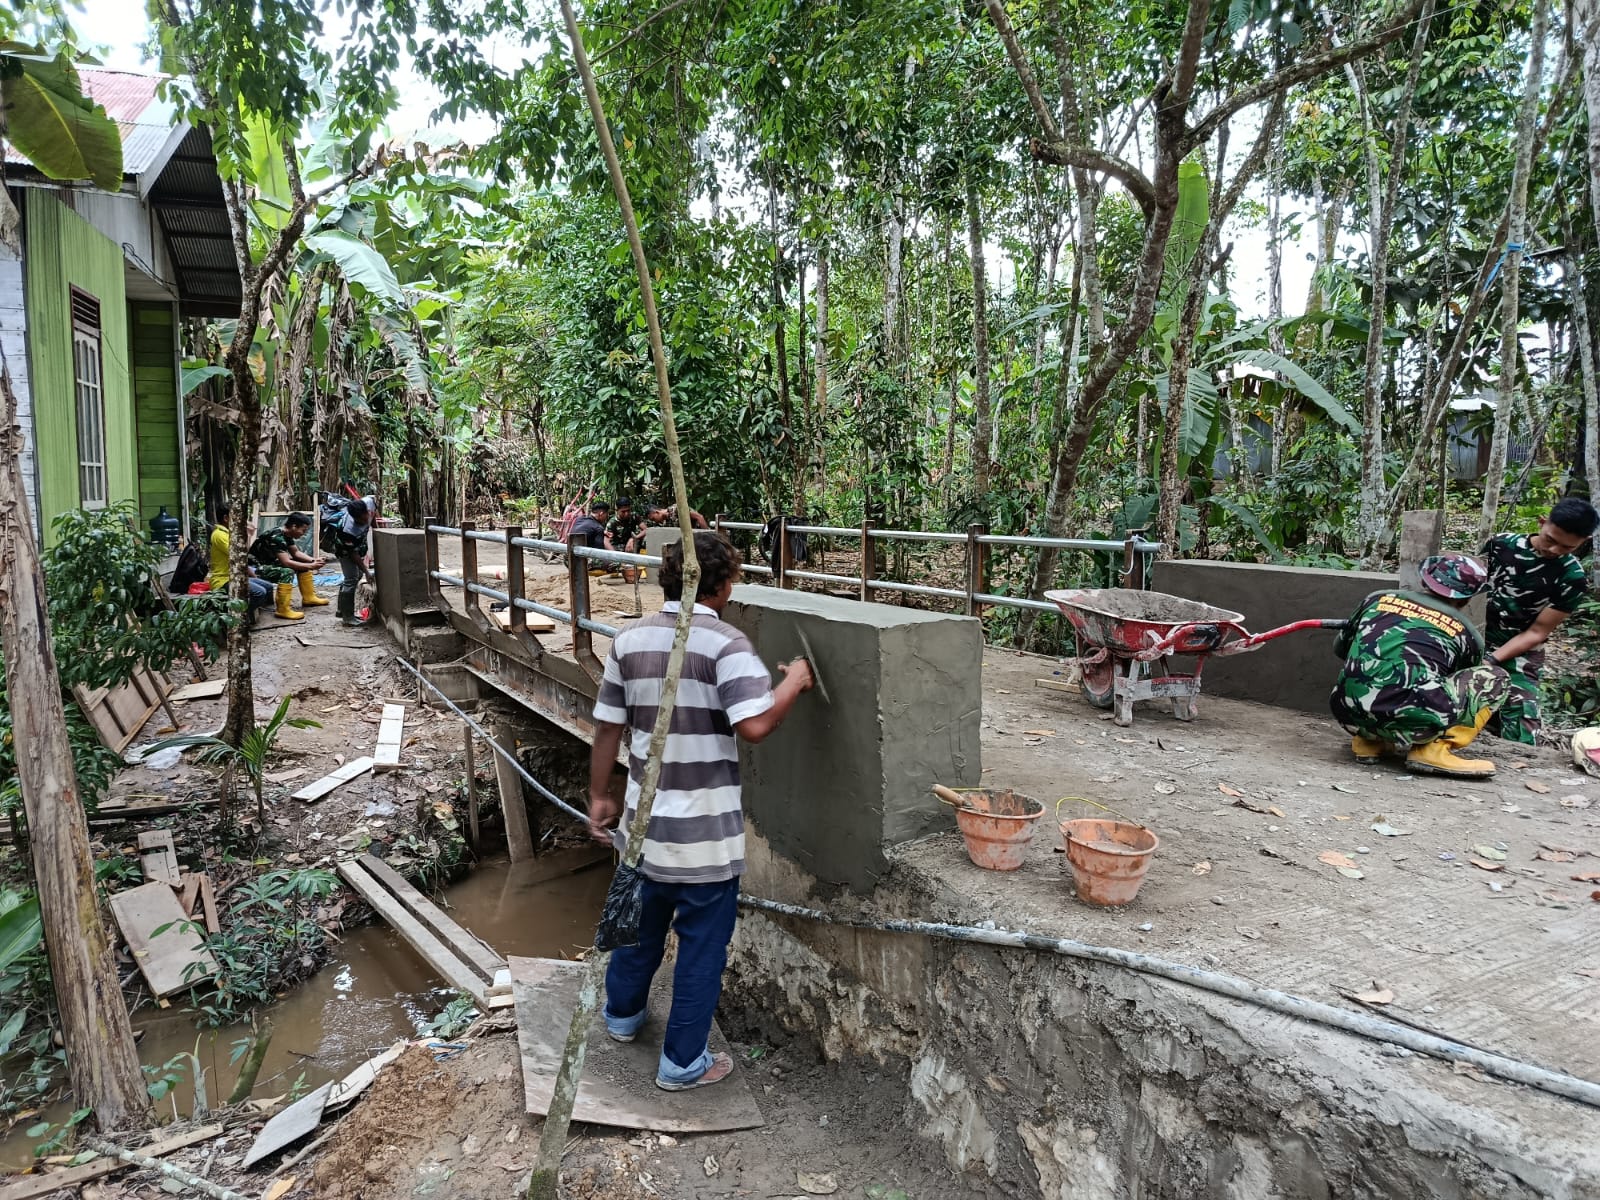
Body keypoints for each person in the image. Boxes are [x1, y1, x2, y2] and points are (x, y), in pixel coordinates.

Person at [587, 531, 813, 1090]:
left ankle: (621, 1019)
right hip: (706, 843)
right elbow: (756, 725)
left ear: (666, 580)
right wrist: (793, 682)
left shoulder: (627, 640)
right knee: (700, 951)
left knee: (639, 929)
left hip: (643, 828)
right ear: (726, 586)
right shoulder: (725, 644)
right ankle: (683, 1063)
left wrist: (600, 795)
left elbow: (607, 728)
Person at [1330, 552, 1509, 779]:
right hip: (1414, 726)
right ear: (1467, 598)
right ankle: (1432, 749)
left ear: (1424, 580)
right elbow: (1458, 679)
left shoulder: (1376, 599)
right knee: (1495, 678)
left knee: (1373, 668)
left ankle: (1369, 742)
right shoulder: (1466, 632)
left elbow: (1341, 649)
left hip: (1347, 715)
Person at [1480, 497, 1598, 743]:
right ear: (1542, 522)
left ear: (1583, 542)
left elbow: (1536, 632)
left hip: (1519, 648)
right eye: (1550, 540)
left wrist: (1491, 660)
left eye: (1566, 547)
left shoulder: (1572, 578)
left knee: (1523, 730)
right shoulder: (1500, 545)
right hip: (1474, 634)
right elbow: (1469, 590)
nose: (1554, 550)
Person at [249, 513, 327, 621]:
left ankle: (309, 598)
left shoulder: (286, 535)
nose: (304, 534)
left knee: (302, 565)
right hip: (253, 568)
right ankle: (282, 609)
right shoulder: (276, 536)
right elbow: (286, 562)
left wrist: (313, 561)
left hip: (267, 564)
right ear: (294, 526)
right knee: (287, 572)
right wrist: (311, 565)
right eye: (303, 530)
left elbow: (296, 553)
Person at [207, 504, 273, 621]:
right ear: (226, 518)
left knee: (268, 587)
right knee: (259, 593)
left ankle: (252, 616)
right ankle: (235, 619)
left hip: (235, 576)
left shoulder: (229, 533)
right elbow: (239, 556)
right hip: (223, 580)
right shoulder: (219, 535)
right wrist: (246, 535)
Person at [325, 495, 376, 627]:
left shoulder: (369, 502)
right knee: (351, 578)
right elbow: (353, 555)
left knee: (356, 575)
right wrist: (366, 571)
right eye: (359, 520)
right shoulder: (348, 529)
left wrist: (376, 530)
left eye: (365, 517)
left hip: (357, 544)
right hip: (344, 550)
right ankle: (348, 618)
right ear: (353, 517)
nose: (364, 520)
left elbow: (374, 512)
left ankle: (341, 609)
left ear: (367, 511)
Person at [606, 496, 646, 583]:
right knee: (613, 564)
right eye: (623, 512)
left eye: (628, 511)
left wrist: (633, 538)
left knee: (646, 540)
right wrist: (615, 556)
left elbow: (646, 530)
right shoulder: (612, 523)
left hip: (632, 544)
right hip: (618, 548)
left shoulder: (634, 516)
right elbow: (607, 542)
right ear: (617, 510)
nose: (627, 514)